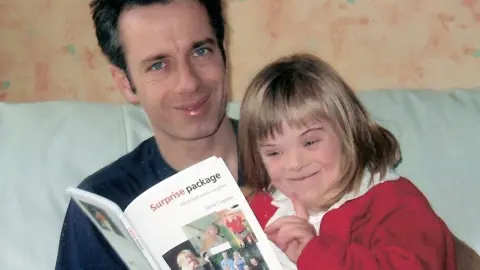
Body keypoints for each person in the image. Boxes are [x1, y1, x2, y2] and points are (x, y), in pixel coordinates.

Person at [55, 0, 242, 269]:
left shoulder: (304, 158)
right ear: (126, 84)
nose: (188, 82)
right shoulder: (102, 207)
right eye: (158, 65)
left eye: (200, 51)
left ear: (224, 56)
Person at [238, 53, 458, 269]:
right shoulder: (260, 208)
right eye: (274, 153)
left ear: (348, 133)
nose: (294, 164)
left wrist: (315, 253)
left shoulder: (392, 202)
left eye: (310, 142)